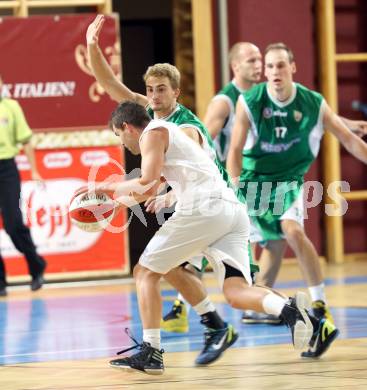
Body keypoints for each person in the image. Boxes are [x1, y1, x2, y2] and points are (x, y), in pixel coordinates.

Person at [79, 101, 337, 375]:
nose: (123, 142)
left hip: (203, 209)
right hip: (231, 211)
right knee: (235, 293)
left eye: (119, 136)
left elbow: (148, 182)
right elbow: (149, 188)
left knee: (144, 272)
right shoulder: (168, 131)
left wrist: (108, 187)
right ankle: (291, 311)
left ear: (126, 127)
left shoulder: (152, 133)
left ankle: (151, 351)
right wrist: (118, 201)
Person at [86, 14, 251, 365]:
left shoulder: (185, 126)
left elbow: (191, 170)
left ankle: (166, 343)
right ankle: (216, 323)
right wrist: (92, 47)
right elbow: (111, 86)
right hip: (199, 204)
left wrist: (163, 192)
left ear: (176, 92)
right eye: (150, 90)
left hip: (207, 203)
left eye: (161, 89)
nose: (154, 96)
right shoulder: (150, 117)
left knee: (155, 270)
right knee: (171, 269)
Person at [226, 42, 367, 336]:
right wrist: (233, 188)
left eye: (280, 65)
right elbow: (235, 150)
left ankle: (319, 304)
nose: (275, 71)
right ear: (264, 72)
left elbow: (348, 140)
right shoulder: (249, 102)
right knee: (270, 247)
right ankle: (264, 305)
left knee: (292, 231)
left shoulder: (312, 102)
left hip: (288, 180)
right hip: (254, 181)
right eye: (270, 66)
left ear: (292, 68)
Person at [0, 75, 46, 296]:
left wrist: (34, 170)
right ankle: (0, 283)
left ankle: (36, 265)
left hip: (6, 169)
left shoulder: (11, 107)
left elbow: (26, 140)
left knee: (13, 224)